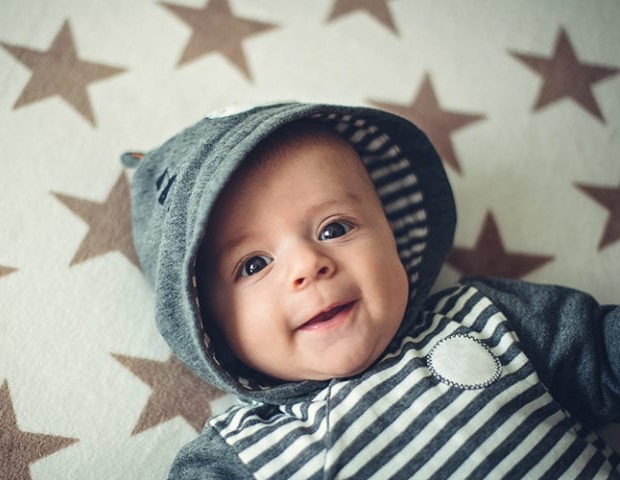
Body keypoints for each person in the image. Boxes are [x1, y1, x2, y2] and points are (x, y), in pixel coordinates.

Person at [122, 103, 619, 479]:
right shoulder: (243, 456)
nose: (309, 265)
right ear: (206, 323)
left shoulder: (486, 319)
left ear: (393, 236)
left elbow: (604, 351)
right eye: (254, 264)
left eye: (334, 228)